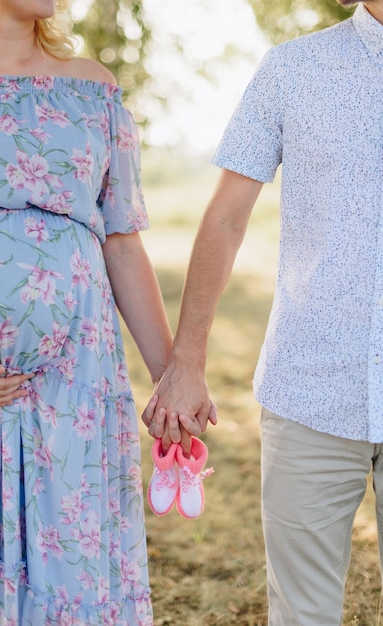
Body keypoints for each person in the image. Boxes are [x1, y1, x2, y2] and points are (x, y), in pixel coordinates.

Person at [142, 0, 383, 623]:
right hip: (309, 389)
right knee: (303, 615)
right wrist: (186, 363)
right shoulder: (292, 69)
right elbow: (225, 217)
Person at [0, 1, 174, 624]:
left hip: (74, 382)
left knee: (70, 555)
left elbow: (122, 239)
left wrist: (173, 376)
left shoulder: (92, 85)